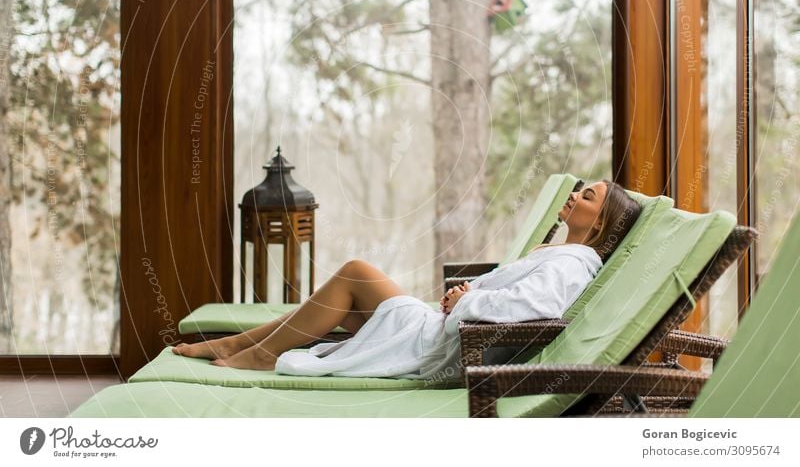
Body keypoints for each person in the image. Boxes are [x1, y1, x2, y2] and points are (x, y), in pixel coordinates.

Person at [172, 180, 641, 380]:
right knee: (349, 290)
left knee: (355, 273)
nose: (575, 194)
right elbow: (505, 291)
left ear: (599, 222)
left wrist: (466, 302)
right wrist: (469, 291)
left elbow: (533, 308)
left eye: (588, 195)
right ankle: (237, 346)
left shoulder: (573, 262)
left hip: (448, 345)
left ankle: (254, 354)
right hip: (444, 328)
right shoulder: (557, 252)